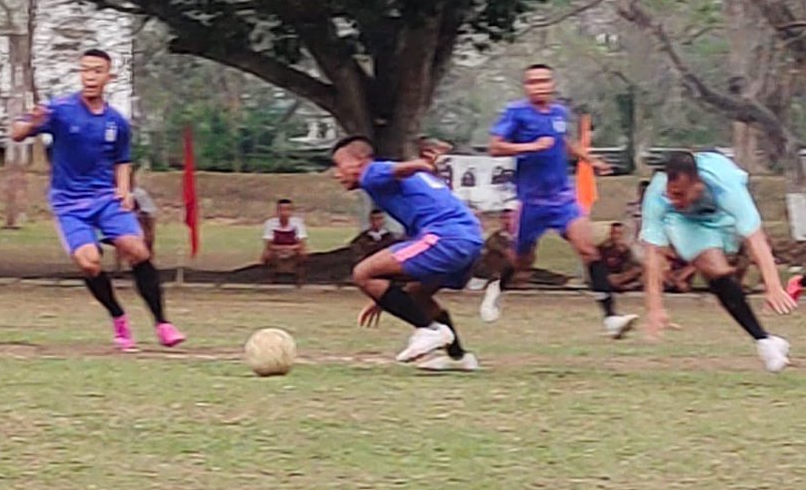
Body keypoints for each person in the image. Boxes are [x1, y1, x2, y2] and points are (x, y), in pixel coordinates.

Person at [11, 48, 185, 351]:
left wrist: (124, 189)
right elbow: (17, 133)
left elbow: (122, 159)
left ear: (109, 77)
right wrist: (31, 123)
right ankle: (119, 318)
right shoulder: (60, 109)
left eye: (96, 71)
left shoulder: (116, 122)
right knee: (89, 263)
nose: (90, 76)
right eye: (85, 70)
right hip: (69, 202)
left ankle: (163, 323)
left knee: (138, 250)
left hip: (105, 199)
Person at [481, 63, 638, 338]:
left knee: (589, 250)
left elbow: (563, 142)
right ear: (526, 87)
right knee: (521, 260)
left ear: (552, 84)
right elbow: (495, 147)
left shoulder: (558, 113)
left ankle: (611, 317)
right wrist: (529, 147)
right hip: (532, 200)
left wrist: (589, 159)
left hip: (562, 197)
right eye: (533, 82)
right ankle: (497, 286)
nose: (539, 86)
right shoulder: (516, 113)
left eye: (544, 81)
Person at [331, 135, 483, 371]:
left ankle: (430, 330)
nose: (336, 174)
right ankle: (459, 357)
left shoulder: (370, 172)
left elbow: (398, 169)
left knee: (363, 274)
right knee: (416, 295)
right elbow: (410, 247)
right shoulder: (407, 186)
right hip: (469, 239)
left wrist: (420, 163)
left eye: (339, 165)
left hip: (447, 236)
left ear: (358, 160)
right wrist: (386, 296)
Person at [641, 150, 795, 372]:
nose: (673, 199)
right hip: (686, 221)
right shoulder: (658, 195)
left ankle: (766, 341)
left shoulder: (726, 185)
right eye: (670, 194)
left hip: (723, 213)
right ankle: (764, 341)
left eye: (679, 194)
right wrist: (655, 308)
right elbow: (652, 255)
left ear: (698, 184)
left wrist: (773, 287)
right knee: (714, 269)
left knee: (737, 250)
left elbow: (756, 239)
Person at [261, 198, 308, 284]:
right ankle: (269, 278)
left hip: (293, 249)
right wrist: (280, 249)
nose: (284, 213)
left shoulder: (298, 223)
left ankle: (300, 279)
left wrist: (290, 248)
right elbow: (268, 244)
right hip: (276, 249)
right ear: (277, 211)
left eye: (287, 210)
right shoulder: (270, 223)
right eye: (281, 210)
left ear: (291, 211)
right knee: (267, 255)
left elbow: (301, 243)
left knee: (303, 254)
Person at [598, 222, 642, 291]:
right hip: (609, 276)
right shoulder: (603, 248)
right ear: (610, 234)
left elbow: (636, 267)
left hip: (623, 276)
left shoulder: (627, 249)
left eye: (619, 234)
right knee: (611, 281)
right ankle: (627, 287)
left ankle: (626, 286)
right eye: (614, 233)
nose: (616, 237)